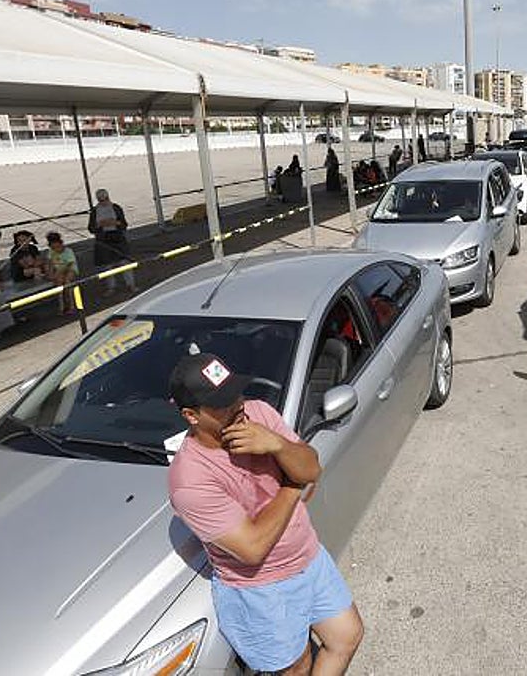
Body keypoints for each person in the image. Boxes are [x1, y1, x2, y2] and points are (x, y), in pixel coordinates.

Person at [167, 353, 364, 676]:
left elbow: (311, 469)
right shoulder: (190, 479)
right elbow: (253, 548)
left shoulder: (258, 412)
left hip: (309, 557)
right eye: (222, 404)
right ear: (191, 415)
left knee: (347, 636)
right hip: (263, 589)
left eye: (236, 393)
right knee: (296, 668)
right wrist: (292, 486)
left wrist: (277, 445)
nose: (237, 406)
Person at [88, 189, 136, 296]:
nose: (103, 202)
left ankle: (131, 285)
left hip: (118, 238)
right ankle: (111, 287)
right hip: (103, 239)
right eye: (101, 200)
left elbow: (124, 224)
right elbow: (91, 228)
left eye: (105, 199)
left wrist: (116, 222)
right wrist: (99, 225)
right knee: (107, 265)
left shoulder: (116, 208)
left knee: (124, 262)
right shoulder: (94, 211)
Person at [43, 231, 80, 312]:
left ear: (61, 244)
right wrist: (49, 273)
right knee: (59, 283)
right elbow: (49, 263)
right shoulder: (51, 252)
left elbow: (69, 265)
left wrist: (57, 273)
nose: (56, 250)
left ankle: (71, 306)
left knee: (67, 282)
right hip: (58, 271)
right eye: (54, 248)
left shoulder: (68, 251)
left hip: (70, 269)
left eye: (58, 247)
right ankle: (61, 306)